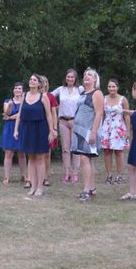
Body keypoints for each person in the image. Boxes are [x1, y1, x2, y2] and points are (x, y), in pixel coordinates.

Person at [13, 74, 56, 197]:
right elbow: (19, 114)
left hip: (40, 129)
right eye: (31, 79)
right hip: (27, 129)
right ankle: (32, 186)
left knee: (40, 158)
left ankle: (40, 187)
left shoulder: (43, 97)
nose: (31, 81)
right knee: (30, 158)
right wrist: (16, 130)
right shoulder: (24, 96)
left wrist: (51, 131)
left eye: (34, 80)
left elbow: (49, 115)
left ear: (39, 84)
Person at [71, 68, 104, 202]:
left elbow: (99, 113)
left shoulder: (97, 93)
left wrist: (93, 132)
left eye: (90, 75)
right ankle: (91, 188)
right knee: (87, 159)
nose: (86, 76)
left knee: (84, 159)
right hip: (79, 129)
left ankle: (86, 190)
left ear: (95, 79)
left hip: (89, 130)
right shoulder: (83, 92)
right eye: (85, 74)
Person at [51, 69, 84, 185]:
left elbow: (90, 96)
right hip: (63, 121)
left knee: (75, 148)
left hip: (75, 121)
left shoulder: (79, 90)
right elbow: (49, 97)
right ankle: (67, 173)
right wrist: (54, 107)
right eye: (68, 77)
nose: (70, 79)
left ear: (75, 79)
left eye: (72, 77)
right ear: (65, 78)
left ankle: (75, 173)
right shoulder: (61, 89)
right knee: (65, 149)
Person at [100, 79, 130, 185]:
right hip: (107, 128)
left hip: (119, 128)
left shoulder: (123, 99)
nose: (111, 89)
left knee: (119, 152)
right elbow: (101, 114)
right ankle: (109, 175)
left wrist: (128, 130)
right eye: (109, 87)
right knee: (107, 151)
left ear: (117, 87)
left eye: (113, 86)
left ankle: (119, 176)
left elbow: (126, 115)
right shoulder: (103, 99)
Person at [0, 82, 27, 185]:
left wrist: (10, 117)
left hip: (21, 127)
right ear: (13, 90)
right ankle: (6, 177)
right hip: (9, 128)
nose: (17, 90)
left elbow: (22, 114)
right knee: (8, 153)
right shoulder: (8, 101)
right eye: (16, 88)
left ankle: (24, 175)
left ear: (22, 91)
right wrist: (10, 107)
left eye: (19, 88)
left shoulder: (25, 102)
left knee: (22, 153)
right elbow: (6, 113)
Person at [42, 76, 59, 187]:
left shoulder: (50, 97)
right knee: (34, 154)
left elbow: (53, 114)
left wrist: (54, 129)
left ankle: (46, 177)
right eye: (41, 82)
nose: (42, 84)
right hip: (36, 126)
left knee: (47, 154)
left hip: (48, 127)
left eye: (44, 82)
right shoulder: (33, 96)